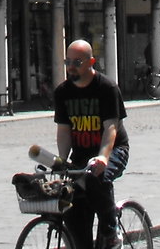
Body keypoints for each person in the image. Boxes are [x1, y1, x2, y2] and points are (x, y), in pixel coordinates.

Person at [50, 39, 128, 249]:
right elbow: (64, 130)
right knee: (73, 208)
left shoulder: (107, 88)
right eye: (68, 62)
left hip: (114, 150)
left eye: (77, 61)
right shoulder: (63, 92)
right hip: (81, 154)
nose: (71, 67)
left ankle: (110, 230)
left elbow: (111, 127)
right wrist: (62, 161)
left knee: (96, 177)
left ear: (91, 61)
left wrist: (103, 156)